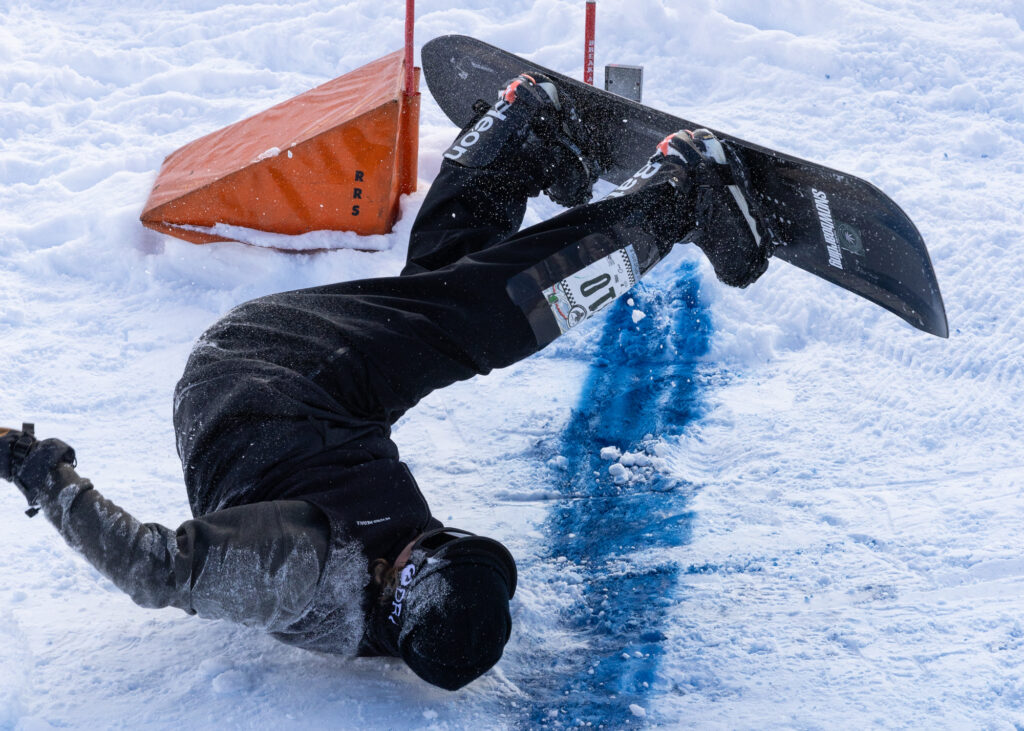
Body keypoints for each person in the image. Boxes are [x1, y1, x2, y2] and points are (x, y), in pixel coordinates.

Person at [0, 72, 770, 691]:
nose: (422, 535)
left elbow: (154, 567)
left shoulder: (297, 565)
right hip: (322, 409)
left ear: (395, 589)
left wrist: (40, 473)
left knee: (480, 321)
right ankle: (510, 148)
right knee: (442, 301)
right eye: (443, 537)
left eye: (424, 550)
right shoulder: (420, 612)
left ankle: (677, 199)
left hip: (260, 378)